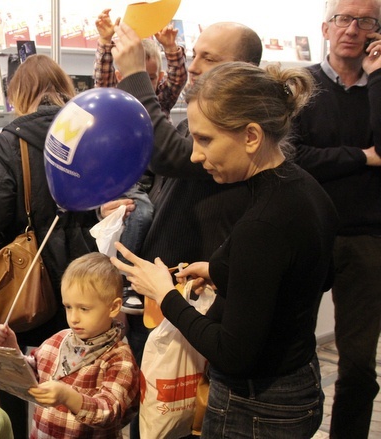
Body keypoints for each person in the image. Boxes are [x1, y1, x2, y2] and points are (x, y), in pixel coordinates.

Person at [112, 57, 339, 438]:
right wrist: (221, 270)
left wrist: (165, 295)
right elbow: (315, 276)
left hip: (256, 408)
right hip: (299, 384)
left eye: (205, 140)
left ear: (251, 136)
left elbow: (232, 352)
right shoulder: (304, 188)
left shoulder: (262, 222)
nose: (196, 155)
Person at [103, 20, 263, 439]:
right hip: (158, 295)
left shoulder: (235, 137)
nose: (194, 67)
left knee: (174, 418)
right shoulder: (193, 122)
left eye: (209, 58)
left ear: (244, 72)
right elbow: (156, 168)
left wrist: (137, 74)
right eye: (195, 54)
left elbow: (170, 153)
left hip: (190, 303)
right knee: (150, 412)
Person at [0, 54, 100, 438]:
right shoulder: (86, 133)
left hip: (28, 282)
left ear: (21, 95)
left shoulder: (12, 139)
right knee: (78, 382)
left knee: (17, 379)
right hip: (81, 277)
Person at [290, 0, 381, 437]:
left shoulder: (380, 87)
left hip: (367, 236)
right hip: (306, 231)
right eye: (344, 18)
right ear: (326, 28)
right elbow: (293, 155)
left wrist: (379, 77)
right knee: (288, 345)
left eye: (365, 20)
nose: (353, 28)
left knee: (360, 364)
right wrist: (362, 157)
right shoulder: (300, 85)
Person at [94, 11, 188, 314]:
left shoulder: (156, 100)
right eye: (135, 75)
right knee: (141, 213)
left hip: (152, 181)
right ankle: (126, 279)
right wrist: (106, 42)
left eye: (149, 78)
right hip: (125, 179)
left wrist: (172, 51)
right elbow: (103, 75)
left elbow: (177, 80)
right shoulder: (112, 96)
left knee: (153, 216)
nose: (142, 83)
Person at [0, 252, 140, 439]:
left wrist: (68, 397)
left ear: (113, 307)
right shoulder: (58, 340)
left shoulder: (119, 359)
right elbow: (33, 373)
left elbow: (110, 412)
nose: (73, 318)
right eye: (68, 307)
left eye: (84, 309)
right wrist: (12, 350)